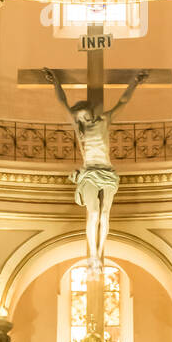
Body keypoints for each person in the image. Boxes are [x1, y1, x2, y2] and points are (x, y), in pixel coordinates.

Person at [43, 66, 149, 266]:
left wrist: (134, 83)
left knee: (105, 214)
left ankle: (100, 252)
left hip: (107, 172)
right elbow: (62, 102)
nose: (83, 116)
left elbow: (123, 102)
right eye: (79, 116)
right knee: (93, 213)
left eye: (84, 113)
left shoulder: (103, 121)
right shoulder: (78, 130)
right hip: (90, 172)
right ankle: (92, 254)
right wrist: (55, 81)